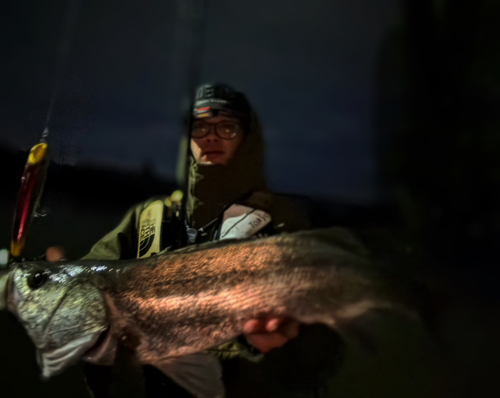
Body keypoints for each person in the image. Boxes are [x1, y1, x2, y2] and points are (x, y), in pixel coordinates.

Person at [68, 83, 344, 397]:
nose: (211, 136)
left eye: (226, 127)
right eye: (200, 126)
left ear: (247, 139)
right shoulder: (149, 217)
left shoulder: (283, 223)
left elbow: (322, 345)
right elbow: (86, 283)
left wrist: (284, 341)